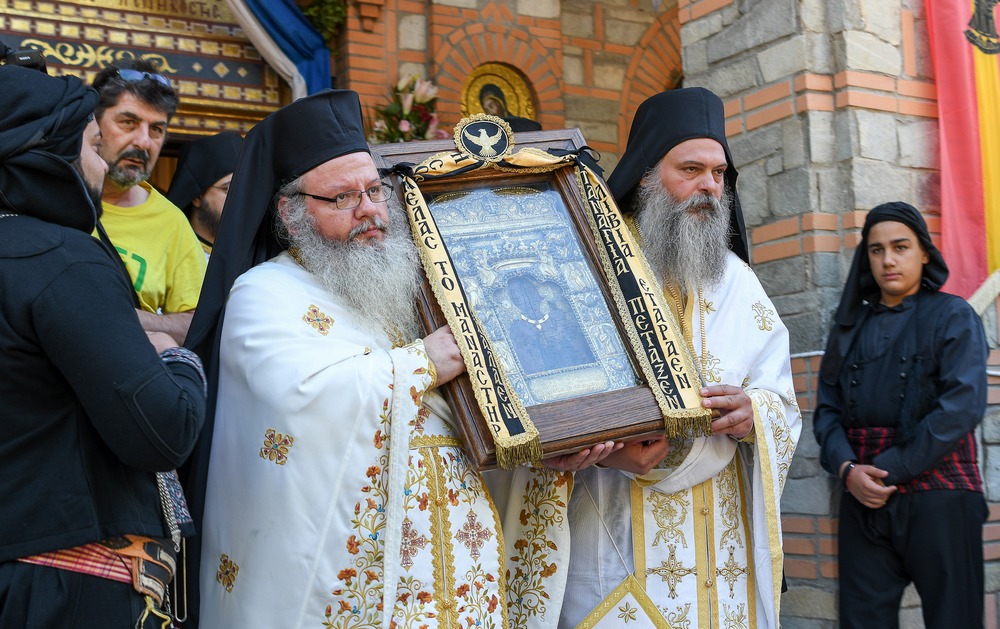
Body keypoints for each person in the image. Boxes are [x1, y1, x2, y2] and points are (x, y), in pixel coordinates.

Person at [184, 88, 618, 628]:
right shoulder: (265, 293)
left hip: (460, 556)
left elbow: (476, 413)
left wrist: (540, 448)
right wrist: (423, 364)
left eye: (374, 191)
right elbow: (302, 402)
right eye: (342, 198)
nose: (369, 211)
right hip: (358, 582)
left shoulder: (416, 285)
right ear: (290, 215)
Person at [558, 87, 801, 628]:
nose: (709, 188)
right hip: (615, 542)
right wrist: (601, 446)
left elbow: (781, 401)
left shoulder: (738, 281)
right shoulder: (590, 269)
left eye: (719, 174)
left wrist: (753, 413)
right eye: (690, 169)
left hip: (722, 557)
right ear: (645, 175)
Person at [0, 66, 206, 627]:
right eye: (94, 143)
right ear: (46, 153)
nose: (101, 162)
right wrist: (173, 354)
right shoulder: (61, 259)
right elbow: (163, 431)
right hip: (61, 588)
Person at [813, 201, 988, 629]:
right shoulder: (848, 327)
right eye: (876, 250)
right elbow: (827, 414)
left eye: (900, 246)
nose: (888, 260)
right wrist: (848, 469)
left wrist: (885, 470)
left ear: (924, 252)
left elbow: (960, 407)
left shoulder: (954, 316)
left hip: (940, 496)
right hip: (862, 496)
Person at [92, 57, 207, 344]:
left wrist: (123, 316)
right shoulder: (47, 195)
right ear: (93, 125)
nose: (144, 142)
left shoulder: (170, 222)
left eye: (156, 129)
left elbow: (200, 322)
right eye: (128, 122)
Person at [166, 130, 243, 258]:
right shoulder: (172, 255)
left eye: (245, 190)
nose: (240, 201)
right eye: (228, 189)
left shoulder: (254, 259)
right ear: (197, 196)